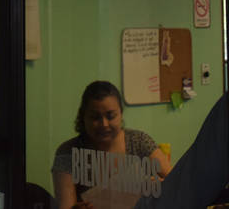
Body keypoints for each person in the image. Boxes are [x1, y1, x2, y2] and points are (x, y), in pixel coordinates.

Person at [52, 81, 172, 209]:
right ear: (83, 117)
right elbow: (65, 206)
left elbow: (177, 183)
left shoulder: (139, 141)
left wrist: (160, 186)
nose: (104, 124)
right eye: (95, 117)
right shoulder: (68, 152)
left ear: (121, 114)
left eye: (110, 116)